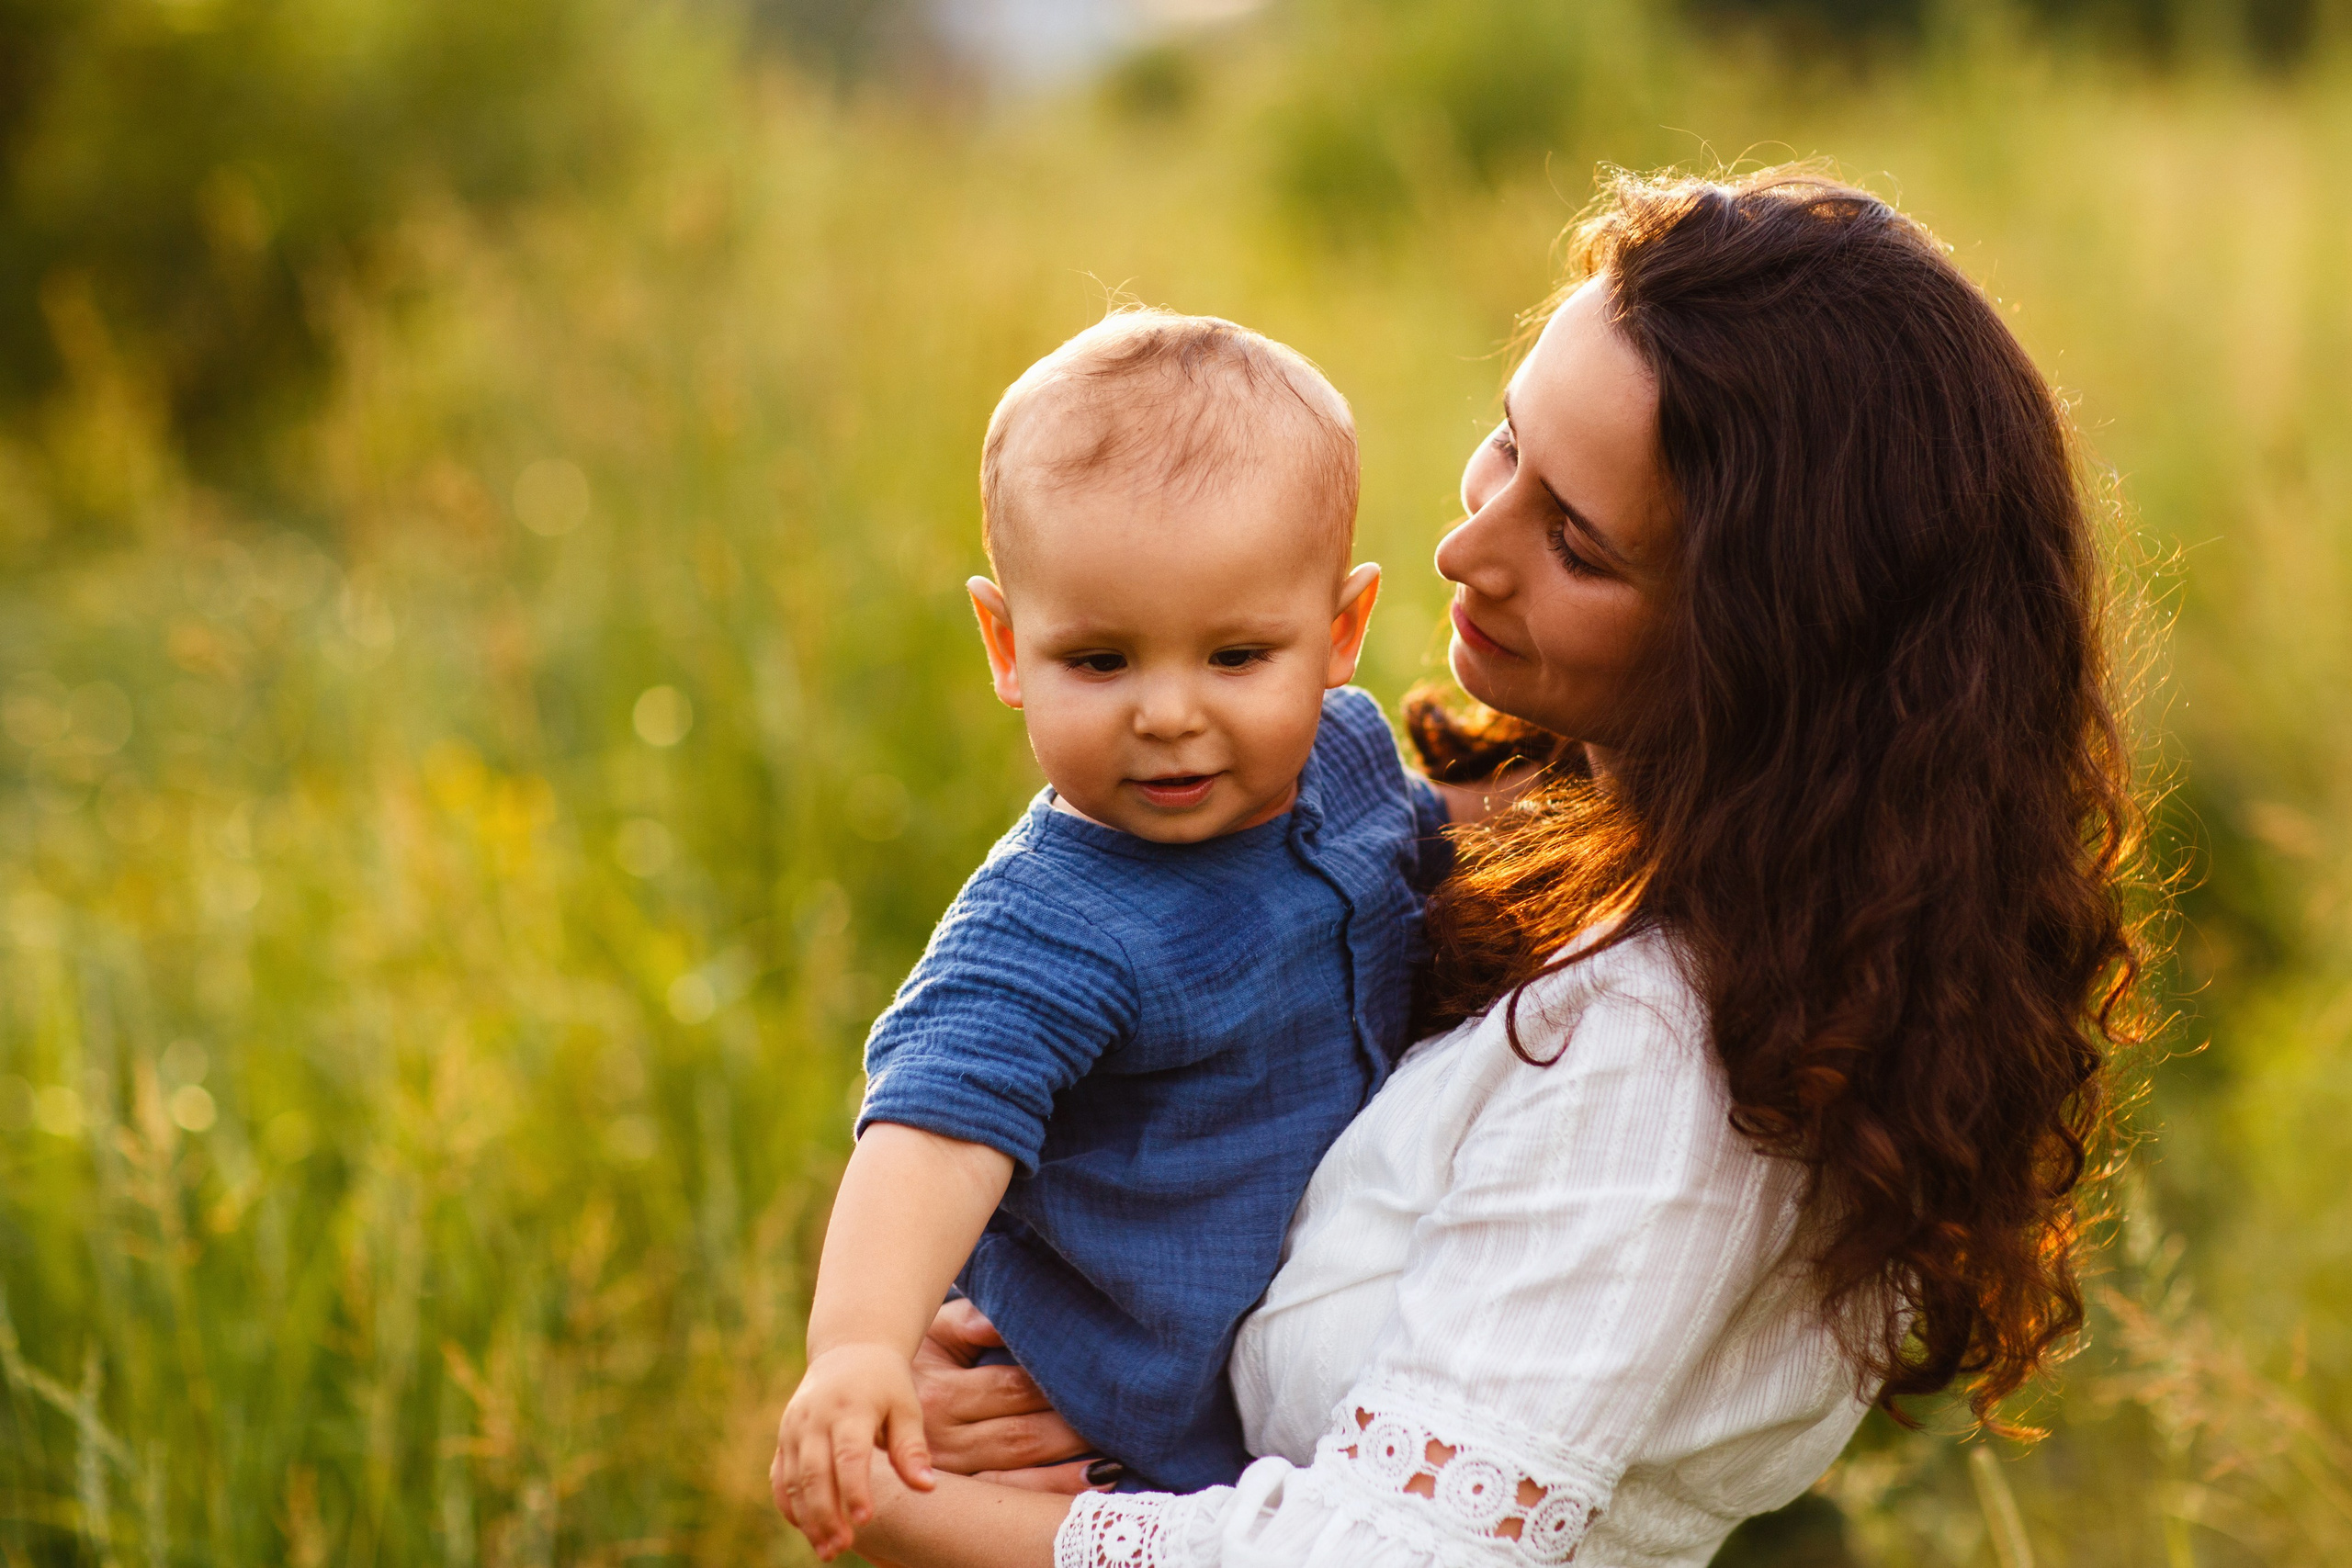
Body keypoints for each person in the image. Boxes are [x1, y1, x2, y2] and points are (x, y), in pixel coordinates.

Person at [779, 164, 2150, 1568]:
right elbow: (977, 1095)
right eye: (1508, 446)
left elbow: (1396, 1551)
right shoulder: (1550, 831)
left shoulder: (1654, 1064)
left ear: (1762, 644)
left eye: (1575, 541)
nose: (1461, 547)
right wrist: (929, 1346)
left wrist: (927, 1506)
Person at [774, 310, 1479, 1559]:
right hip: (1096, 1444)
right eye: (1098, 661)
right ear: (1006, 644)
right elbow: (931, 1135)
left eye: (1235, 656)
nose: (1168, 715)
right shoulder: (1051, 920)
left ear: (1340, 632)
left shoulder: (1355, 759)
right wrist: (859, 1348)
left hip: (1306, 1410)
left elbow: (1462, 861)